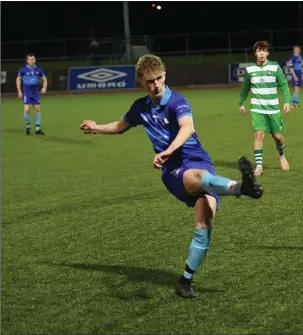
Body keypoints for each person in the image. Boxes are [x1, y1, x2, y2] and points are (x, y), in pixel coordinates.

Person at [80, 54, 264, 298]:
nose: (156, 85)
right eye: (150, 81)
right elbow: (119, 126)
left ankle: (185, 282)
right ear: (141, 83)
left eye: (159, 78)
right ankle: (244, 189)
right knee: (194, 177)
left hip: (198, 159)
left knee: (204, 224)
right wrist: (96, 127)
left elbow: (188, 127)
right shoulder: (140, 108)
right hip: (173, 170)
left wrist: (167, 150)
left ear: (165, 75)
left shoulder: (177, 101)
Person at [239, 40, 291, 176]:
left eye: (264, 51)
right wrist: (241, 103)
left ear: (267, 53)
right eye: (259, 51)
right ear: (255, 53)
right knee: (258, 134)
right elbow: (245, 87)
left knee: (277, 137)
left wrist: (287, 101)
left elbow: (284, 84)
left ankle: (281, 155)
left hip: (273, 109)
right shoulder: (250, 69)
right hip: (257, 109)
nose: (261, 53)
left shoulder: (274, 67)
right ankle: (259, 166)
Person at [16, 53, 47, 135]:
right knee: (27, 110)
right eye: (30, 59)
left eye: (33, 59)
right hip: (26, 92)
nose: (31, 61)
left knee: (37, 109)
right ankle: (28, 126)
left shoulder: (39, 69)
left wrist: (44, 88)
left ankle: (38, 129)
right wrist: (19, 91)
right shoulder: (23, 70)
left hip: (36, 92)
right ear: (27, 61)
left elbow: (45, 79)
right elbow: (18, 80)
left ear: (35, 60)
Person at [288, 45, 303, 109]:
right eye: (295, 49)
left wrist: (300, 76)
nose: (296, 50)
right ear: (294, 50)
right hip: (295, 74)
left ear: (300, 50)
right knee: (296, 90)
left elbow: (300, 67)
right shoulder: (292, 58)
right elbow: (291, 68)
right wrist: (295, 76)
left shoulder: (300, 57)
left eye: (298, 49)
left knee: (298, 90)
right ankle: (292, 104)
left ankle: (295, 104)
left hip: (299, 74)